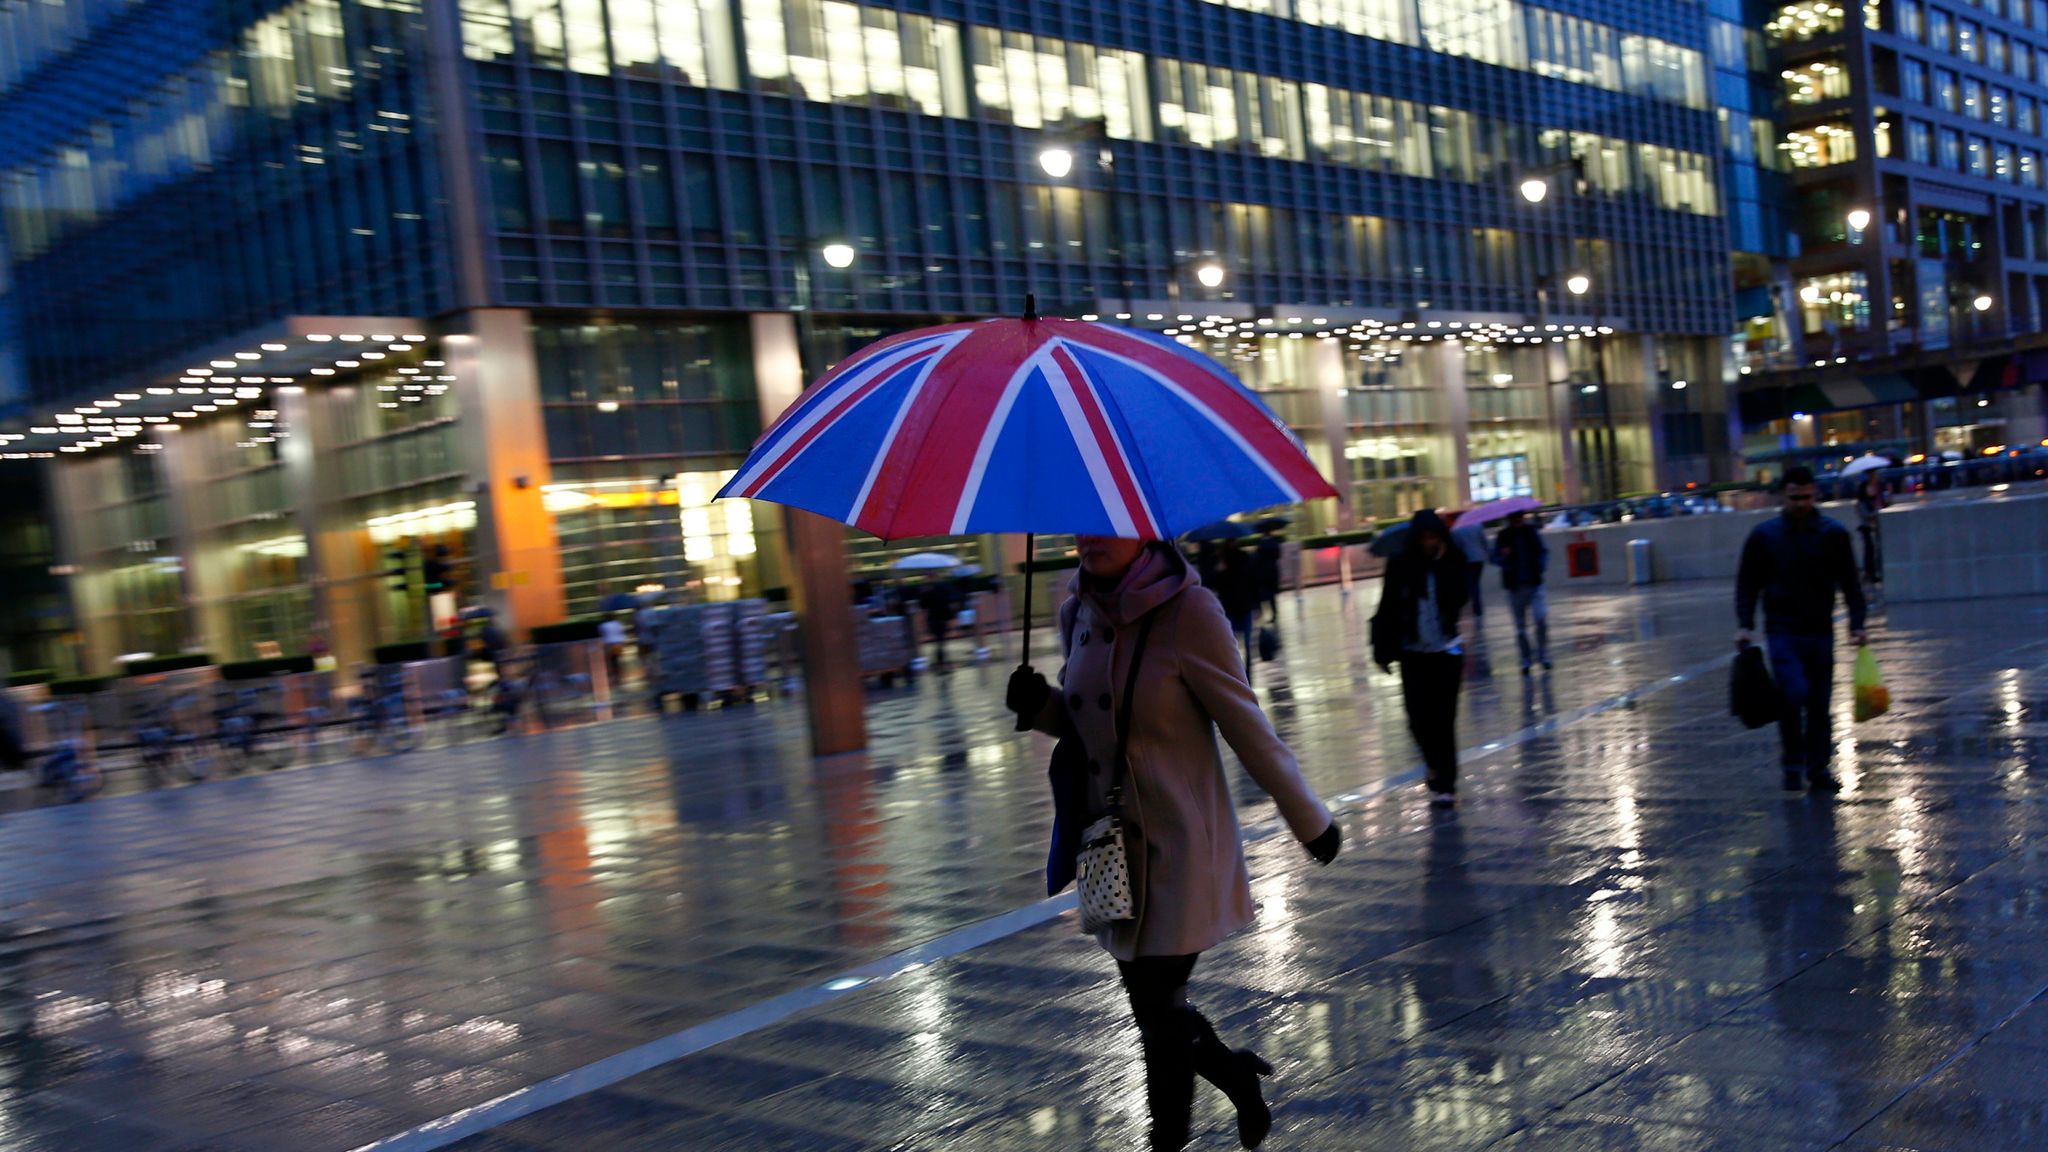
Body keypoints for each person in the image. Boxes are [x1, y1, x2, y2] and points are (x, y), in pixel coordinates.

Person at [1006, 536, 1339, 1152]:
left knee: (1158, 1013)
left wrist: (1310, 819)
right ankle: (1237, 1075)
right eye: (1081, 525)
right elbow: (1092, 726)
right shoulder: (1075, 610)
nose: (1090, 538)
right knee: (1156, 1012)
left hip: (1183, 847)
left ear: (1144, 528)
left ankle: (1168, 1141)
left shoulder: (1192, 611)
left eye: (1106, 523)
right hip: (1114, 853)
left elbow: (1247, 725)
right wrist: (1041, 706)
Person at [1736, 466, 1869, 793]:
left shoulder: (1833, 534)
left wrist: (1857, 623)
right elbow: (1748, 584)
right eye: (1795, 497)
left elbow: (1851, 581)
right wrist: (1745, 624)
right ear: (1783, 495)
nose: (1800, 504)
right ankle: (1796, 763)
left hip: (1820, 629)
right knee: (1795, 695)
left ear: (1815, 494)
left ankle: (1815, 768)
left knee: (1819, 704)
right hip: (1782, 629)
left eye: (1806, 497)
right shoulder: (1765, 536)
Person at [1371, 509, 1470, 806]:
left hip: (1446, 651)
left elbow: (1460, 597)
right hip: (1413, 653)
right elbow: (1387, 606)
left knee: (1444, 719)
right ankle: (1433, 763)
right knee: (1417, 719)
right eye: (1424, 537)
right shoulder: (1401, 564)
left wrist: (1440, 561)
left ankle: (1446, 783)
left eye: (1433, 536)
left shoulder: (1452, 559)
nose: (1429, 542)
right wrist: (1382, 650)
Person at [1492, 510, 1551, 674]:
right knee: (1520, 627)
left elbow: (1543, 551)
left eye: (1520, 518)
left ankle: (1543, 654)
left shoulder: (1531, 532)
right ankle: (1526, 659)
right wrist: (1504, 557)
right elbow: (1494, 557)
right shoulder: (1503, 536)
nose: (1518, 521)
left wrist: (1541, 566)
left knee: (1541, 619)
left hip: (1534, 583)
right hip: (1514, 586)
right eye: (1514, 518)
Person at [1211, 544, 1259, 669]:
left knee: (1232, 638)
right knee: (1247, 637)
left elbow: (1215, 585)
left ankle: (1235, 662)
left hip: (1230, 607)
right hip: (1245, 605)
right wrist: (1257, 604)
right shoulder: (1244, 566)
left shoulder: (1223, 571)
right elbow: (1253, 583)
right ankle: (1248, 663)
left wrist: (1218, 570)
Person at [1450, 515, 1490, 620]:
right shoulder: (1477, 525)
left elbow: (1457, 546)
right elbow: (1483, 540)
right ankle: (1477, 608)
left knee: (1472, 584)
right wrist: (1487, 553)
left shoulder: (1457, 529)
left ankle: (1476, 608)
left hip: (1467, 560)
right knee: (1475, 583)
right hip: (1479, 558)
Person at [1855, 473, 1887, 585]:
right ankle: (1870, 573)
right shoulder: (1863, 490)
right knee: (1869, 550)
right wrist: (1872, 514)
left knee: (1877, 549)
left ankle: (1876, 572)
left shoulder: (1880, 487)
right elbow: (1861, 509)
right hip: (1867, 525)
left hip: (1878, 523)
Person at [1253, 528, 1284, 625]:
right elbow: (1278, 555)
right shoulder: (1274, 543)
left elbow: (1257, 557)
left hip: (1263, 572)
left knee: (1265, 593)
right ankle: (1274, 613)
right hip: (1273, 571)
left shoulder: (1261, 544)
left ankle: (1263, 613)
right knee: (1272, 595)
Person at [598, 613, 628, 686]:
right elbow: (621, 632)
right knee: (618, 658)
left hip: (609, 643)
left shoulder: (602, 625)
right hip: (618, 643)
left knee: (612, 660)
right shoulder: (618, 623)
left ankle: (615, 674)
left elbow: (602, 634)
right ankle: (620, 674)